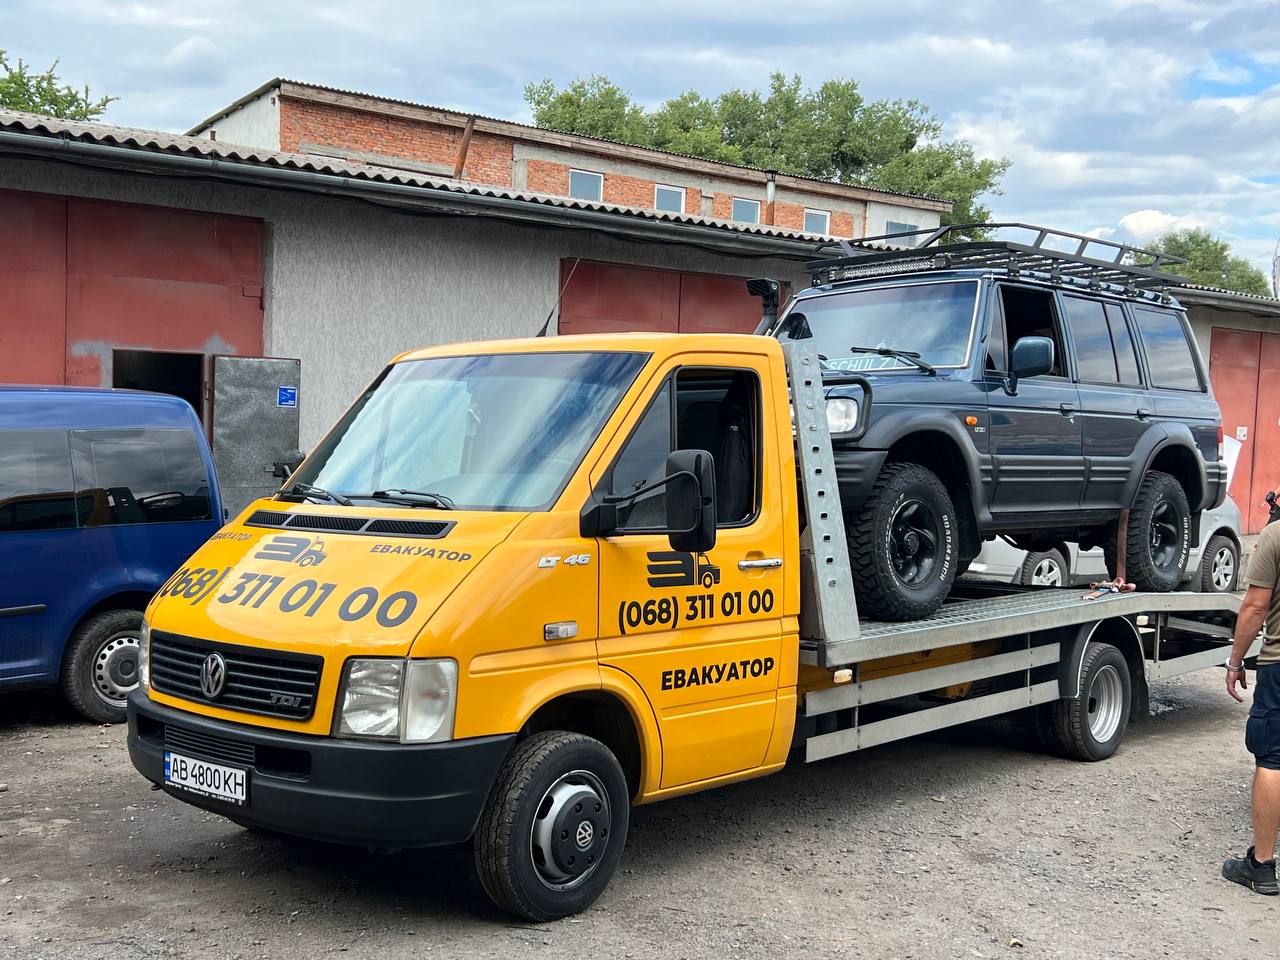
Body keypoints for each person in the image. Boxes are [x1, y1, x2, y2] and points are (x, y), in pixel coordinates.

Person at [1224, 521, 1280, 895]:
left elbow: (1255, 606)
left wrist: (1235, 661)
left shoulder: (1276, 535)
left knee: (1272, 759)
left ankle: (1261, 866)